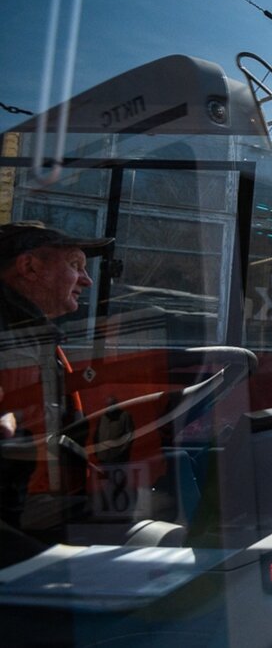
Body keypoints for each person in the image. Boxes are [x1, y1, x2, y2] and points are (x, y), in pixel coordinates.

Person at [0, 221, 111, 562]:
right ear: (29, 266)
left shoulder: (34, 337)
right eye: (75, 265)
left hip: (34, 503)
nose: (87, 280)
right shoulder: (10, 335)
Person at [93, 396, 134, 466]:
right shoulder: (102, 417)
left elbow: (129, 435)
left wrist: (122, 451)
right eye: (107, 405)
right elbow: (97, 435)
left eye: (111, 405)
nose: (109, 408)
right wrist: (97, 451)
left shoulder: (124, 416)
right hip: (104, 458)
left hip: (119, 458)